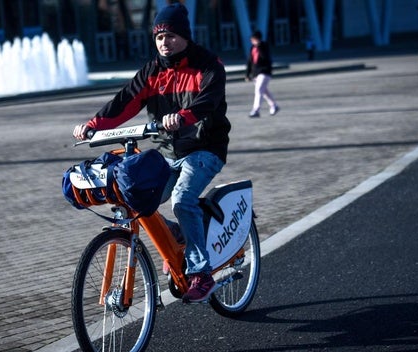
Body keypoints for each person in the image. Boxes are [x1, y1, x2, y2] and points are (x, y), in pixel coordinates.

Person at [73, 2, 231, 304]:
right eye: (159, 37)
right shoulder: (152, 71)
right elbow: (125, 102)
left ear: (184, 36)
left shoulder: (208, 65)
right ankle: (179, 234)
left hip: (205, 148)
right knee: (137, 194)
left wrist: (184, 116)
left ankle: (201, 273)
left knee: (183, 199)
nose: (164, 42)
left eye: (170, 36)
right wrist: (93, 125)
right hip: (167, 151)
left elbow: (209, 101)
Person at [245, 30, 279, 117]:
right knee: (264, 92)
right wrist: (247, 74)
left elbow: (265, 57)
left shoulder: (264, 46)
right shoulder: (252, 48)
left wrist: (259, 45)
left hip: (265, 72)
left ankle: (256, 110)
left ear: (257, 39)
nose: (252, 41)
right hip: (255, 73)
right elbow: (250, 62)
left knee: (259, 90)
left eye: (253, 39)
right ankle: (274, 106)